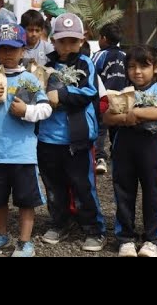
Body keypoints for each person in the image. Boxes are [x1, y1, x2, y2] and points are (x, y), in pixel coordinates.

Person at [0, 24, 52, 258]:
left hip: (22, 152)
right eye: (2, 48)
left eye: (13, 49)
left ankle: (25, 241)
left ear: (23, 50)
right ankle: (1, 234)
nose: (7, 54)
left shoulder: (30, 80)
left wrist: (26, 111)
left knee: (26, 200)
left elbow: (45, 109)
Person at [37, 13, 106, 252]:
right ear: (53, 40)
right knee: (54, 185)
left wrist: (61, 95)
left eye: (73, 41)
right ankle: (60, 222)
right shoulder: (45, 65)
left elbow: (89, 92)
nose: (67, 46)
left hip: (77, 139)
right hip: (47, 138)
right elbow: (35, 91)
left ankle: (94, 229)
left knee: (83, 185)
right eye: (62, 40)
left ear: (82, 41)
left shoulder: (85, 63)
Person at [103, 45, 157, 257]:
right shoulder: (122, 92)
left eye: (144, 66)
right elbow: (107, 117)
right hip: (124, 145)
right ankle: (126, 238)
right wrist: (125, 118)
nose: (137, 71)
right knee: (123, 192)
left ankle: (154, 240)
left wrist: (137, 113)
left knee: (153, 194)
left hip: (152, 146)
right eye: (132, 66)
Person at [92, 22, 127, 174]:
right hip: (122, 98)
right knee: (118, 128)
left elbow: (91, 74)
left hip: (104, 99)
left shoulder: (100, 55)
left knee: (100, 129)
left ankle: (99, 158)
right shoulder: (125, 56)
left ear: (104, 38)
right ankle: (118, 156)